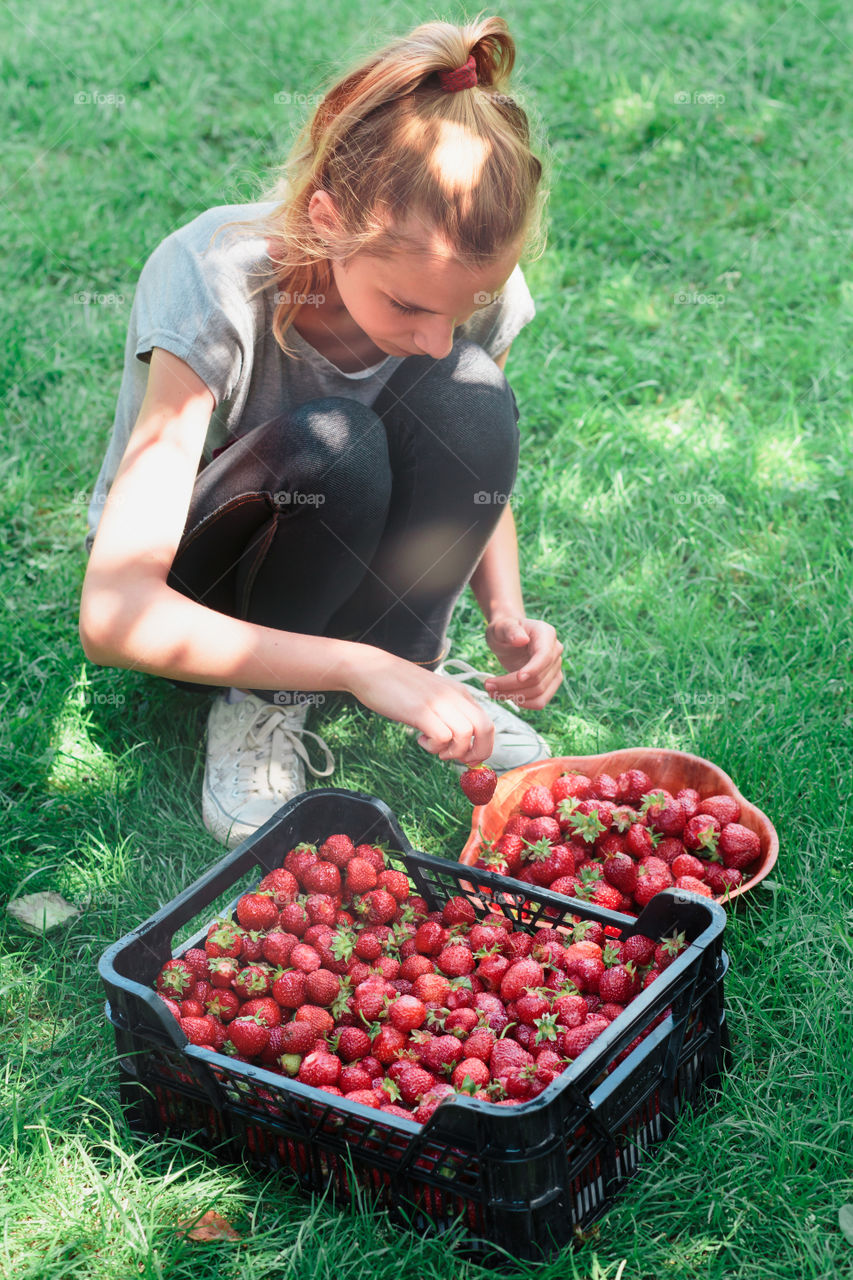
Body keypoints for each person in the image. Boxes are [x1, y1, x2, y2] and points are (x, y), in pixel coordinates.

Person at [78, 15, 565, 848]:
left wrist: (505, 613)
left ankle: (412, 667)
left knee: (473, 392)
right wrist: (351, 664)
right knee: (335, 444)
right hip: (214, 588)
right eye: (408, 306)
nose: (434, 337)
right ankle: (264, 702)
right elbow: (114, 614)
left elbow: (470, 452)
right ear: (327, 218)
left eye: (466, 310)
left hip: (351, 556)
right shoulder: (213, 280)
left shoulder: (456, 291)